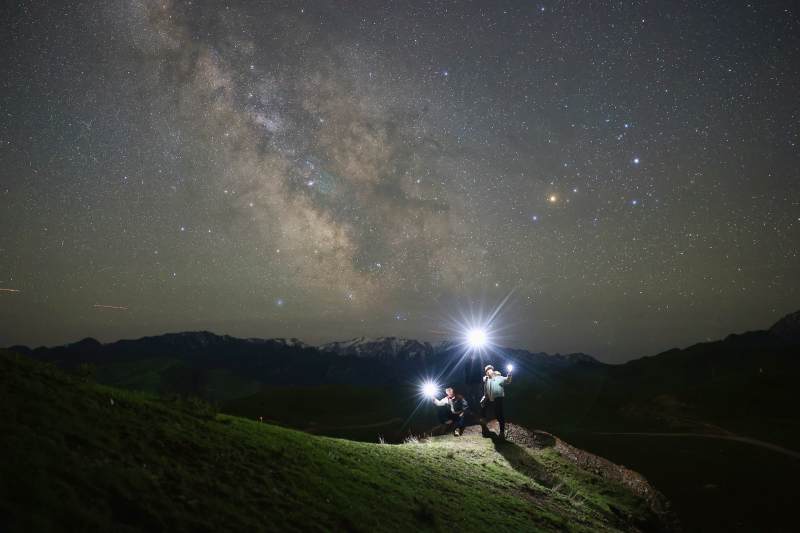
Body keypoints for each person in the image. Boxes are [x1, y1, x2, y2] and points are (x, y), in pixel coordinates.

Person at [480, 364, 512, 439]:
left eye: (490, 370)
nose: (489, 371)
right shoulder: (487, 380)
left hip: (498, 398)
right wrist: (484, 398)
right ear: (486, 372)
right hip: (490, 398)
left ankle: (502, 433)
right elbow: (486, 391)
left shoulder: (499, 377)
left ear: (492, 370)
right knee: (483, 413)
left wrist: (509, 374)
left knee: (499, 415)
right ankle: (485, 429)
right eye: (487, 371)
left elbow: (507, 381)